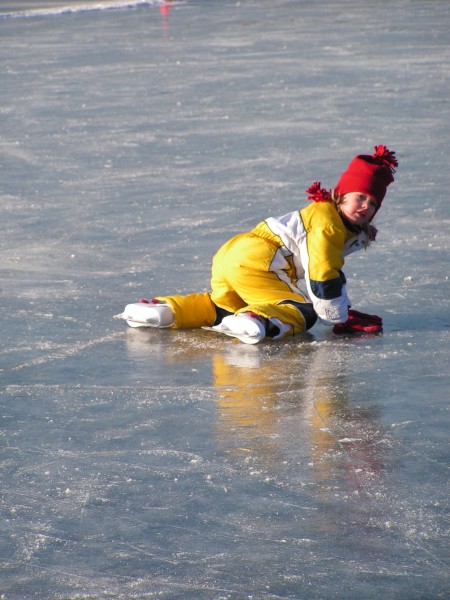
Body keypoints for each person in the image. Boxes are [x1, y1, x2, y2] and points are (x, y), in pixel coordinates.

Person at [116, 145, 398, 344]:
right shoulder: (327, 220)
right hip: (263, 258)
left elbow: (333, 269)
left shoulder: (332, 221)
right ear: (341, 195)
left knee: (224, 306)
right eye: (359, 197)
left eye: (373, 203)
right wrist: (339, 319)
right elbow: (322, 273)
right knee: (302, 311)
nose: (365, 206)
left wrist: (342, 309)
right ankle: (258, 320)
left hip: (234, 254)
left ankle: (164, 310)